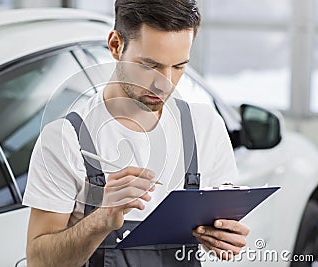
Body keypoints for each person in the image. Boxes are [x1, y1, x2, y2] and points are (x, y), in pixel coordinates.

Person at [23, 0, 250, 266]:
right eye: (150, 66)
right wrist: (100, 220)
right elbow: (38, 262)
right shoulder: (64, 140)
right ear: (116, 45)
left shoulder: (205, 126)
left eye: (178, 67)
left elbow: (223, 232)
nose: (164, 83)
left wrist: (224, 239)